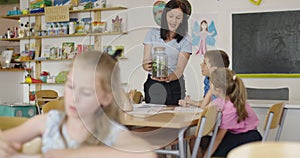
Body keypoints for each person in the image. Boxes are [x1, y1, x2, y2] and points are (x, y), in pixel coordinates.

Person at [0, 51, 156, 158]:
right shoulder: (50, 122)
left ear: (106, 98)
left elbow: (147, 154)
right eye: (71, 86)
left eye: (86, 92)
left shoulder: (110, 132)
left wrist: (71, 154)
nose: (75, 98)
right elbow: (6, 138)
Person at [192, 68, 262, 158]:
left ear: (218, 89)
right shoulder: (221, 100)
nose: (209, 86)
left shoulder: (231, 108)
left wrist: (206, 156)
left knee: (203, 144)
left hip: (246, 139)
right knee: (195, 141)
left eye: (210, 83)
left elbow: (218, 138)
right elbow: (205, 109)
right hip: (234, 135)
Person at [143, 0, 192, 105]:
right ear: (165, 16)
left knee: (173, 117)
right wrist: (146, 65)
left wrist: (169, 78)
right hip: (153, 83)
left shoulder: (186, 39)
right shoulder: (152, 33)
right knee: (152, 117)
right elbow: (146, 59)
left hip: (173, 85)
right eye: (171, 16)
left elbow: (179, 69)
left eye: (178, 17)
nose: (173, 20)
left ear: (183, 20)